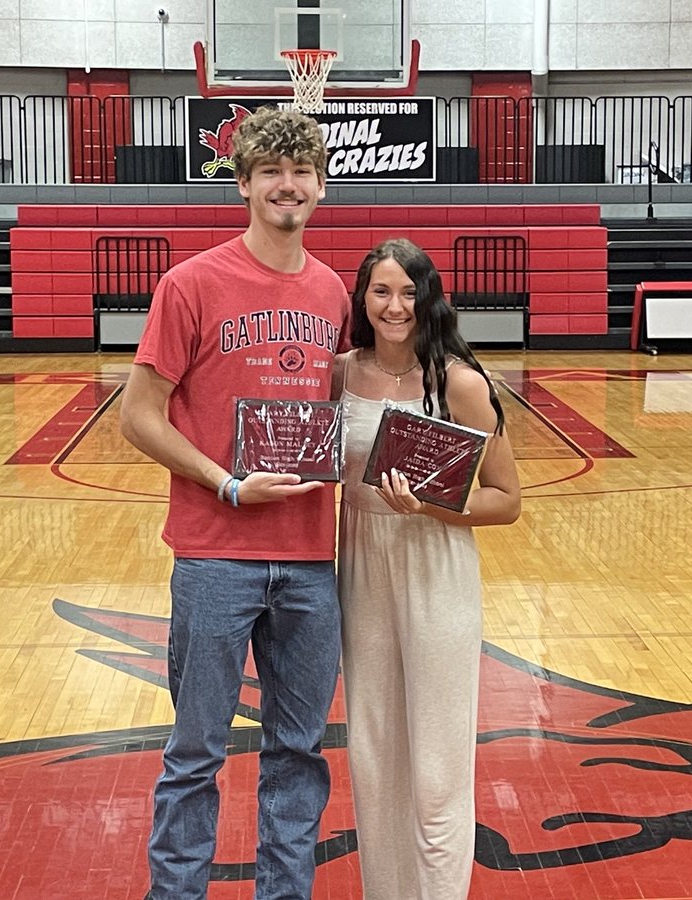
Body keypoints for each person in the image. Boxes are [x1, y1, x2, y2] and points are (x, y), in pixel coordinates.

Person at [120, 105, 350, 900]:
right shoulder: (190, 283)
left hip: (312, 562)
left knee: (300, 751)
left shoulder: (331, 292)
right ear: (245, 184)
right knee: (195, 752)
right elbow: (137, 415)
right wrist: (225, 482)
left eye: (301, 172)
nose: (287, 186)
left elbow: (343, 412)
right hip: (215, 552)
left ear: (321, 184)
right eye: (270, 173)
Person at [333, 238, 522, 899]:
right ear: (362, 299)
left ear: (429, 299)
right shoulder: (338, 375)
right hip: (360, 574)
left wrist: (434, 508)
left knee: (438, 767)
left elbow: (507, 502)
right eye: (382, 291)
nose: (395, 306)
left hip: (438, 575)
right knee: (374, 756)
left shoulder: (462, 383)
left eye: (409, 292)